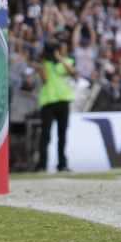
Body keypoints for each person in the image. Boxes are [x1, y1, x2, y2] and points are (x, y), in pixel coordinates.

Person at [36, 42, 76, 172]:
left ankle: (62, 164)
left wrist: (60, 59)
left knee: (62, 135)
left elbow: (72, 71)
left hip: (63, 100)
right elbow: (44, 79)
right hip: (48, 101)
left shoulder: (68, 61)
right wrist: (42, 63)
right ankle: (42, 164)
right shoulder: (45, 63)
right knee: (45, 135)